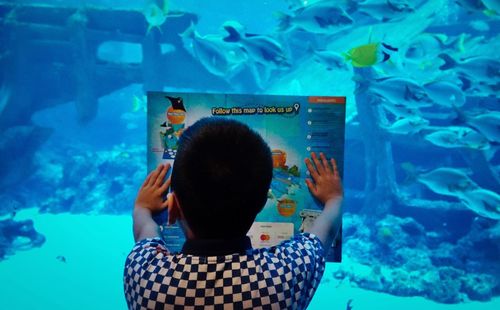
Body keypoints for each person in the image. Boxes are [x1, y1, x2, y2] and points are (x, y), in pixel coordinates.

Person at [124, 117, 343, 309]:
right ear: (260, 204)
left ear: (173, 208)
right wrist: (334, 198)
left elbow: (145, 229)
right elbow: (323, 233)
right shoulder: (284, 276)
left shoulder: (146, 278)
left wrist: (142, 208)